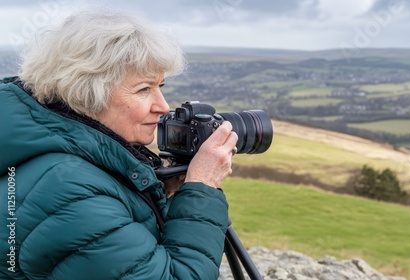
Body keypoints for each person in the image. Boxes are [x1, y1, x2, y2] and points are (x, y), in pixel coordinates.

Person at [0, 11, 238, 279]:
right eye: (143, 89)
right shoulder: (70, 189)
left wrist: (162, 192)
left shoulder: (62, 155)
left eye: (160, 86)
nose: (162, 106)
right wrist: (202, 188)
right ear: (87, 93)